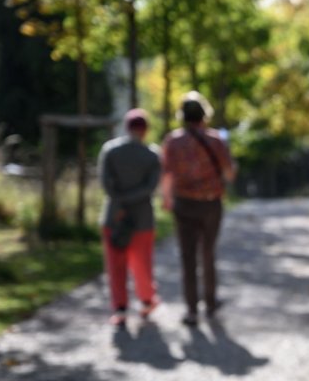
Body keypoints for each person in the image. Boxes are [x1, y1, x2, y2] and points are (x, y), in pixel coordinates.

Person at [161, 91, 236, 325]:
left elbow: (167, 175)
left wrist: (166, 199)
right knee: (208, 253)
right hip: (211, 203)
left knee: (187, 257)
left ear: (182, 116)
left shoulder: (172, 141)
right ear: (205, 114)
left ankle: (191, 309)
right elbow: (230, 173)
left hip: (183, 204)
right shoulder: (216, 140)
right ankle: (211, 303)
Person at [97, 108, 161, 327]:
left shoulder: (110, 150)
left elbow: (106, 183)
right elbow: (150, 187)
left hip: (113, 216)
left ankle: (120, 309)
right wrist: (131, 199)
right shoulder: (152, 155)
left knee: (115, 265)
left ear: (126, 127)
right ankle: (146, 301)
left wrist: (120, 201)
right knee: (142, 264)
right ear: (146, 130)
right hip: (142, 217)